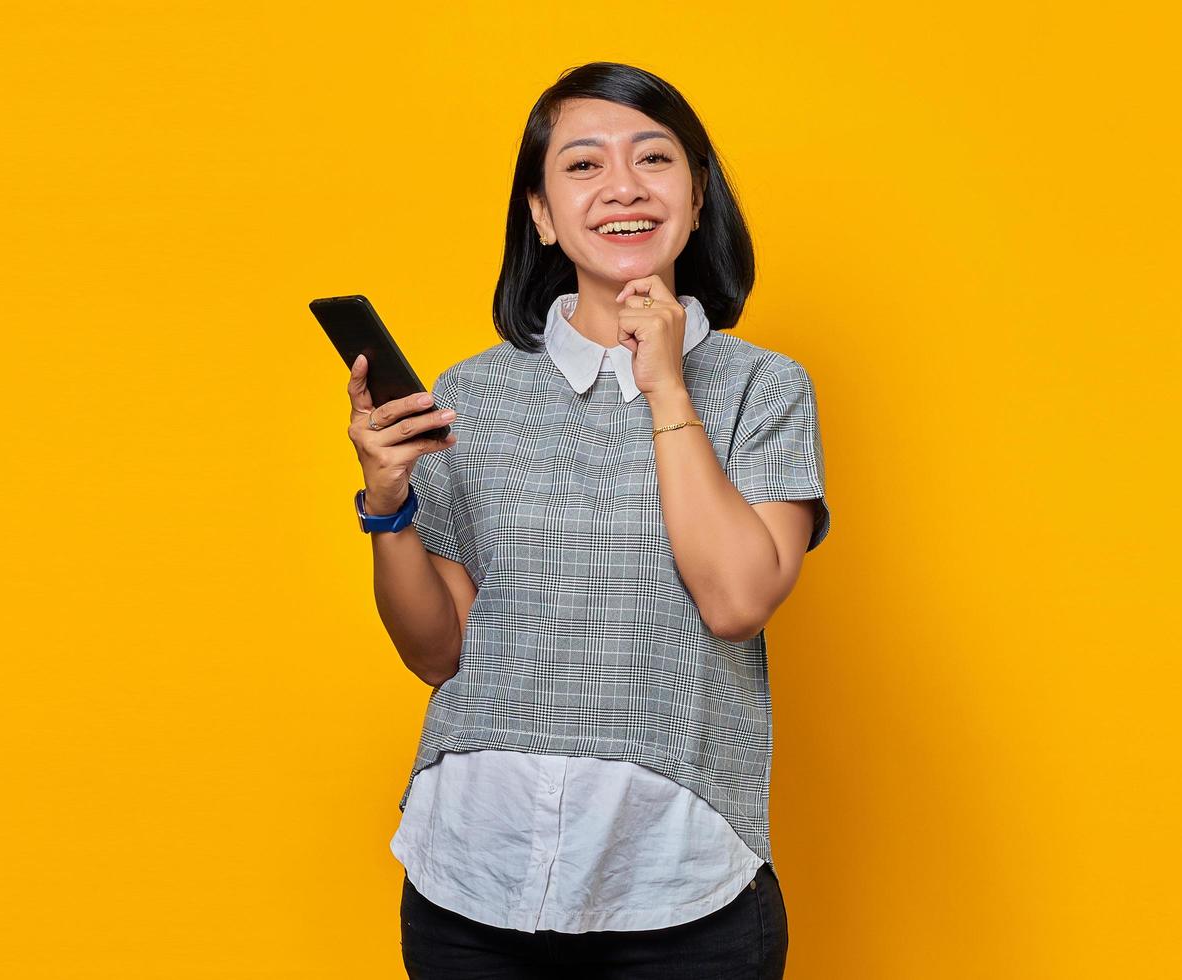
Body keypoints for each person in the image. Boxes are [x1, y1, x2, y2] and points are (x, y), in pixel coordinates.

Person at [347, 62, 830, 979]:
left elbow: (736, 600)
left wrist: (665, 387)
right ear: (540, 212)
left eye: (654, 158)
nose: (622, 187)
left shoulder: (764, 388)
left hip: (677, 889)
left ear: (694, 200)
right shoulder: (472, 394)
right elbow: (435, 652)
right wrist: (386, 505)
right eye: (583, 165)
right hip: (470, 881)